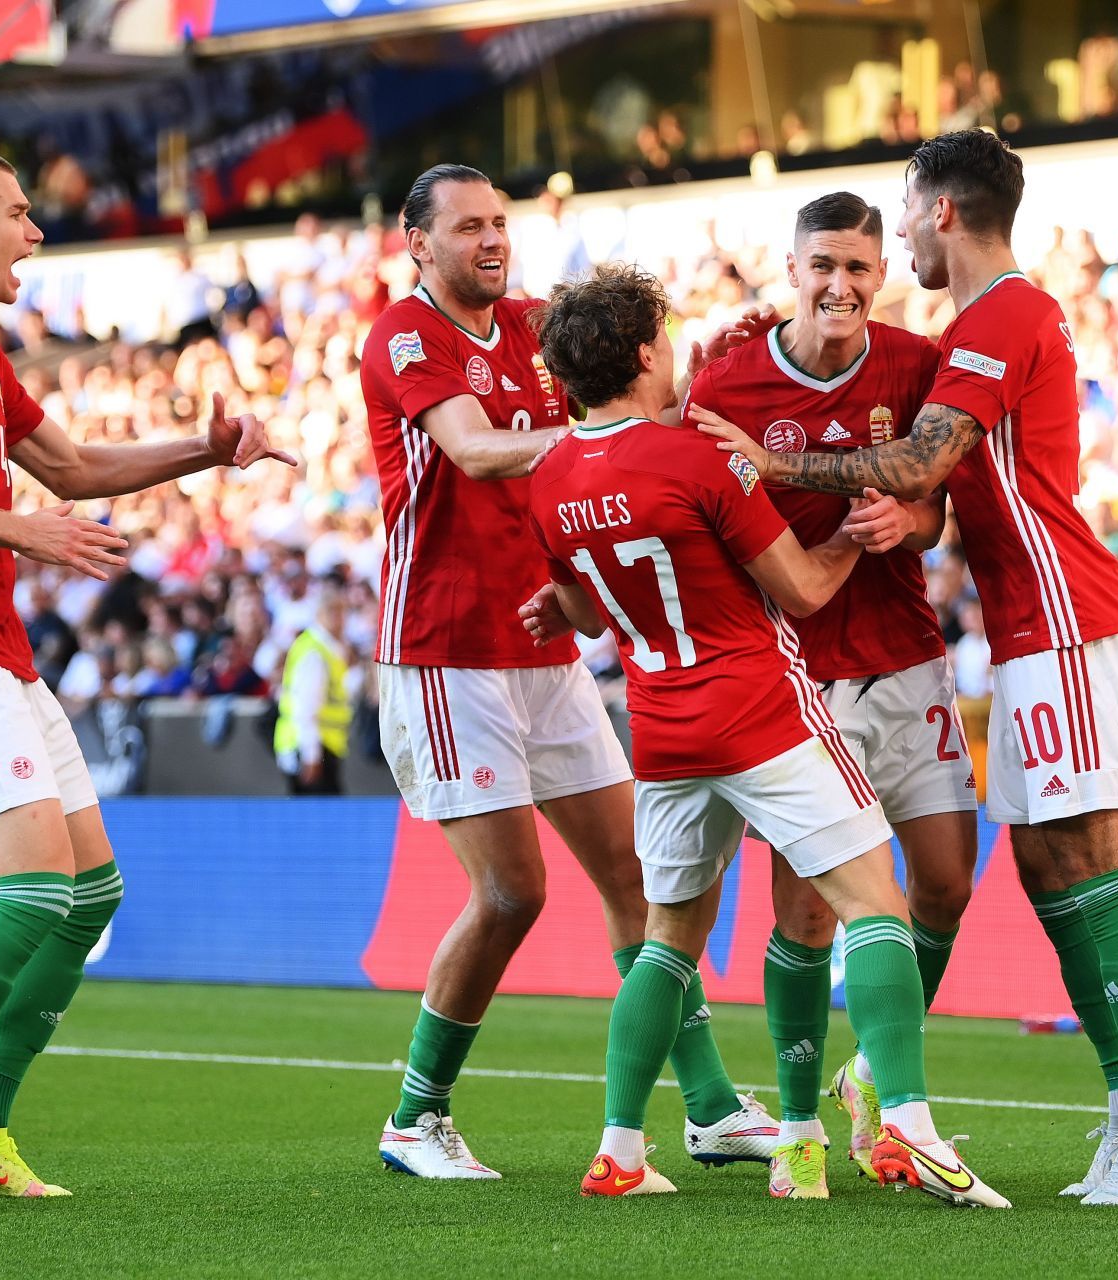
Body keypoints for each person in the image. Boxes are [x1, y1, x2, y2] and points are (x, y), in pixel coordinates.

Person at [692, 130, 1118, 1206]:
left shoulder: (1001, 315)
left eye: (900, 215)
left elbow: (923, 462)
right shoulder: (974, 323)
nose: (889, 241)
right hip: (1025, 625)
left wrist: (775, 456)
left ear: (937, 213)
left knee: (1092, 849)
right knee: (1055, 861)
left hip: (1062, 611)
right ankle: (1115, 1109)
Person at [0, 147, 294, 1214]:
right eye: (19, 213)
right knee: (36, 885)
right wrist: (19, 531)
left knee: (91, 892)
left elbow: (76, 470)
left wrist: (204, 450)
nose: (34, 233)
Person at [525, 264, 1006, 1207]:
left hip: (660, 732)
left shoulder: (546, 481)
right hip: (758, 710)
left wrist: (567, 605)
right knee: (877, 907)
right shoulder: (699, 459)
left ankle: (620, 1150)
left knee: (667, 940)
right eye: (663, 340)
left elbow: (583, 611)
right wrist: (853, 537)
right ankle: (907, 1124)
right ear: (642, 352)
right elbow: (806, 589)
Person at [359, 164, 772, 1180]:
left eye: (499, 222)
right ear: (418, 243)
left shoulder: (538, 325)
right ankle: (417, 1115)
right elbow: (475, 451)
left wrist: (715, 350)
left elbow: (638, 388)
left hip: (545, 646)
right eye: (468, 227)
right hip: (444, 648)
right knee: (510, 892)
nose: (491, 240)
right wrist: (608, 430)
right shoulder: (403, 334)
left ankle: (712, 1106)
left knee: (641, 873)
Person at [682, 191, 979, 1187]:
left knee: (944, 881)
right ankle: (803, 1127)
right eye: (823, 266)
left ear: (882, 266)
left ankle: (870, 1076)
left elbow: (937, 506)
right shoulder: (728, 377)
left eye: (858, 266)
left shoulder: (917, 364)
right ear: (793, 268)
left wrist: (912, 525)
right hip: (797, 678)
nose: (841, 285)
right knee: (806, 915)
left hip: (907, 653)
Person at [273, 588, 352, 795]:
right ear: (318, 614)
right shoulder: (314, 652)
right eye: (332, 612)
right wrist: (312, 755)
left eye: (341, 612)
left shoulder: (326, 648)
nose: (338, 619)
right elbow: (306, 707)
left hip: (321, 745)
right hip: (310, 746)